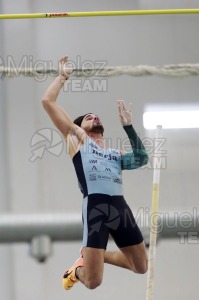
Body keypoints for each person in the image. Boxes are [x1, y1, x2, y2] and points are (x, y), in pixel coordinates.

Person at [42, 56, 149, 291]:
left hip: (120, 207)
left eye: (96, 116)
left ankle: (92, 255)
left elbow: (142, 158)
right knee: (93, 281)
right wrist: (62, 77)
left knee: (141, 266)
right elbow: (47, 101)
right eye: (88, 118)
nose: (95, 117)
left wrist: (129, 128)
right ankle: (76, 270)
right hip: (96, 208)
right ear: (80, 126)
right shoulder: (77, 142)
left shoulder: (115, 154)